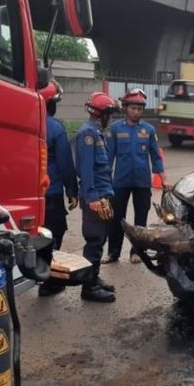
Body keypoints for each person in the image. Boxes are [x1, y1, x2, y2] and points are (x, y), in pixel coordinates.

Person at [103, 89, 167, 264]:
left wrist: (163, 178)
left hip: (142, 182)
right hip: (120, 182)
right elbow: (108, 158)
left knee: (141, 219)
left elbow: (156, 156)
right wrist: (104, 181)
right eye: (133, 108)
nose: (137, 111)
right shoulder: (115, 129)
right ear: (125, 108)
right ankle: (113, 252)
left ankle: (137, 252)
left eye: (140, 108)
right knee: (116, 218)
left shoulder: (148, 130)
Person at [75, 92, 119, 303]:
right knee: (93, 241)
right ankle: (88, 287)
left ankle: (94, 276)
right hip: (95, 197)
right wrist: (92, 198)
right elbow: (86, 170)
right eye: (110, 114)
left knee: (100, 239)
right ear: (101, 114)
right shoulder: (88, 134)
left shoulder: (97, 132)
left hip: (103, 195)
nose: (111, 118)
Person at [38, 81, 79, 297]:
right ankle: (50, 280)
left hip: (28, 194)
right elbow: (65, 165)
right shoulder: (55, 128)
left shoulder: (23, 122)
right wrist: (73, 192)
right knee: (55, 234)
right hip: (51, 194)